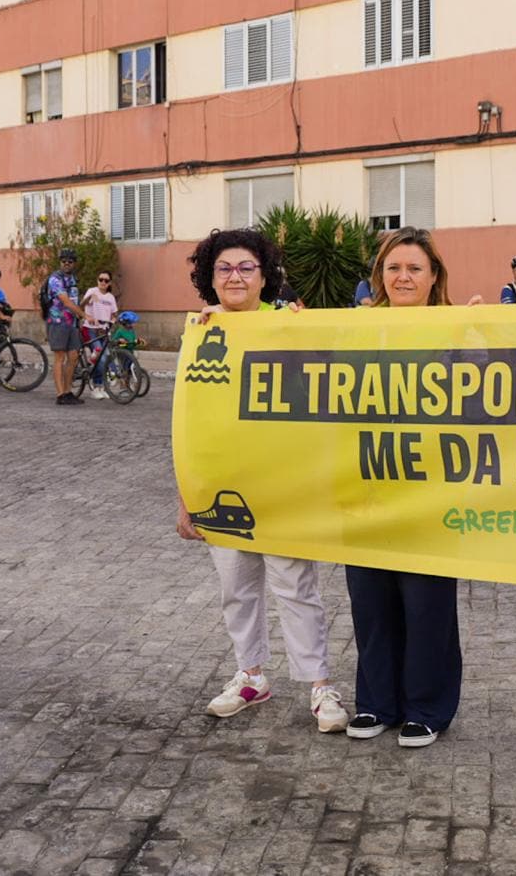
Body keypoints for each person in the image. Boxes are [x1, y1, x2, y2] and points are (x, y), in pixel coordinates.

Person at [174, 228, 349, 734]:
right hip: (220, 485)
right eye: (224, 268)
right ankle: (251, 675)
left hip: (283, 486)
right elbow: (188, 421)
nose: (235, 276)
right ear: (210, 276)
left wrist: (307, 332)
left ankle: (319, 686)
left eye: (246, 268)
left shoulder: (289, 323)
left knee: (296, 585)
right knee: (237, 586)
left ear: (264, 275)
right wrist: (187, 496)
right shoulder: (201, 332)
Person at [344, 227, 483, 749]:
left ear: (434, 278)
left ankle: (427, 707)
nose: (404, 277)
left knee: (426, 603)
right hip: (367, 487)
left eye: (415, 269)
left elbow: (490, 389)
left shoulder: (455, 327)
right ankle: (376, 703)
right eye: (394, 267)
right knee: (370, 600)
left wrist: (480, 335)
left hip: (430, 490)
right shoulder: (357, 328)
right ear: (380, 275)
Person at [45, 249, 87, 405]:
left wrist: (83, 310)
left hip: (72, 323)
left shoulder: (73, 279)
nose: (67, 264)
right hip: (58, 322)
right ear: (60, 262)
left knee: (73, 357)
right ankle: (60, 393)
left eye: (70, 261)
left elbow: (75, 302)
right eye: (64, 261)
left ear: (74, 263)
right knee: (59, 357)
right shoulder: (55, 279)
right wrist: (84, 315)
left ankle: (69, 391)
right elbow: (66, 302)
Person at [81, 270, 120, 400]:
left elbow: (114, 314)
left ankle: (103, 387)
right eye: (100, 279)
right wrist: (89, 298)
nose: (103, 282)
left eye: (106, 280)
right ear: (97, 280)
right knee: (101, 358)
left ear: (109, 283)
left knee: (107, 356)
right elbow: (81, 306)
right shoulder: (92, 291)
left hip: (104, 331)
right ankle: (96, 386)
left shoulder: (110, 297)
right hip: (91, 329)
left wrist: (112, 323)